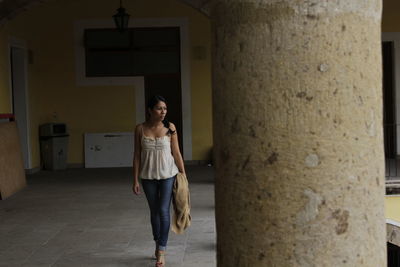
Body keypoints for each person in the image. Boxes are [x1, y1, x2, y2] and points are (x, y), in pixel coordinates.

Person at [132, 95, 186, 267]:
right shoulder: (140, 129)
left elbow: (176, 153)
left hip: (168, 175)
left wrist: (183, 174)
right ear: (150, 110)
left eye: (165, 108)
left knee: (163, 210)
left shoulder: (170, 128)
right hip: (147, 177)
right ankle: (158, 242)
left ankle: (161, 250)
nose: (163, 112)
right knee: (154, 211)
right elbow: (137, 156)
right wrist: (135, 180)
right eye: (159, 108)